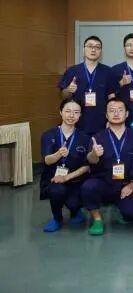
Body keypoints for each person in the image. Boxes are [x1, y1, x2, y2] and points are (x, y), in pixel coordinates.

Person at [81, 97, 133, 235]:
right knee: (88, 187)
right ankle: (97, 219)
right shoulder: (98, 137)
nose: (116, 114)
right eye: (112, 110)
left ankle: (119, 208)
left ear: (126, 114)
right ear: (106, 115)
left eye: (120, 110)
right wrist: (94, 154)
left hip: (125, 185)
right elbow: (91, 161)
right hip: (104, 182)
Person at [40, 99, 91, 232]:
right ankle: (57, 218)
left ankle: (75, 210)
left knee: (75, 202)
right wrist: (58, 154)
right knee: (57, 190)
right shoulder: (48, 135)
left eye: (76, 112)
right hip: (54, 179)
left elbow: (87, 166)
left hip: (75, 180)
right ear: (61, 112)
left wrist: (67, 177)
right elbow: (47, 160)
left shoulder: (85, 138)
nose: (71, 115)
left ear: (80, 115)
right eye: (68, 111)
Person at [58, 35, 117, 135]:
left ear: (101, 51)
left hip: (101, 122)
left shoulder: (108, 72)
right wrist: (69, 90)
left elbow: (112, 97)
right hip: (76, 122)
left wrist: (111, 120)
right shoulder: (72, 71)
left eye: (97, 47)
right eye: (90, 46)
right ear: (83, 49)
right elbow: (63, 96)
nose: (93, 50)